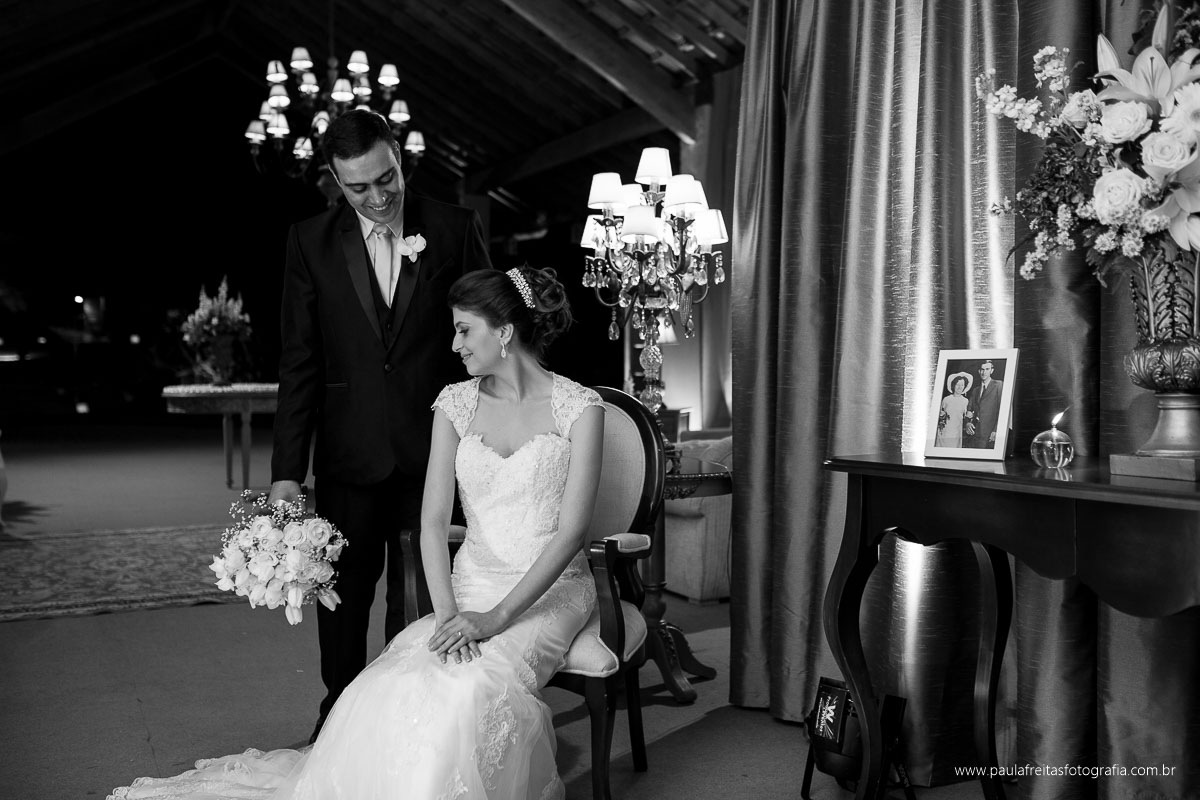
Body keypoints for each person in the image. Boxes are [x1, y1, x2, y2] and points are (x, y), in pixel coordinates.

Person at [108, 266, 604, 799]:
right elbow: (431, 523)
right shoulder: (455, 404)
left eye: (464, 330)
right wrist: (447, 616)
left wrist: (496, 618)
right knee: (390, 682)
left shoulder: (579, 408)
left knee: (473, 688)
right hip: (468, 588)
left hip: (550, 592)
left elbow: (571, 532)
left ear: (504, 331)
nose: (454, 344)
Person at [267, 109, 492, 743]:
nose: (377, 197)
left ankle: (415, 723)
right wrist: (287, 473)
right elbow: (300, 362)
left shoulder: (454, 227)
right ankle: (338, 720)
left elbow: (488, 337)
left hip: (439, 452)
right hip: (350, 451)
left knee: (425, 597)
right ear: (334, 180)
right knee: (342, 596)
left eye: (385, 178)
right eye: (358, 187)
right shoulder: (309, 241)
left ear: (398, 155)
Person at [966, 360, 1003, 448]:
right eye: (982, 369)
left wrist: (996, 430)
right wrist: (967, 423)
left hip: (990, 434)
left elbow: (1003, 410)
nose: (984, 372)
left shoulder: (999, 385)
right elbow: (969, 410)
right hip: (975, 434)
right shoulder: (975, 390)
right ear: (979, 371)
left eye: (987, 369)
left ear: (992, 370)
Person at [934, 372, 973, 448]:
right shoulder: (946, 399)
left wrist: (970, 416)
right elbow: (940, 414)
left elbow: (967, 416)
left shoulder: (965, 401)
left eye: (962, 385)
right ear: (953, 385)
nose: (960, 387)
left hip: (956, 432)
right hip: (944, 431)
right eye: (957, 384)